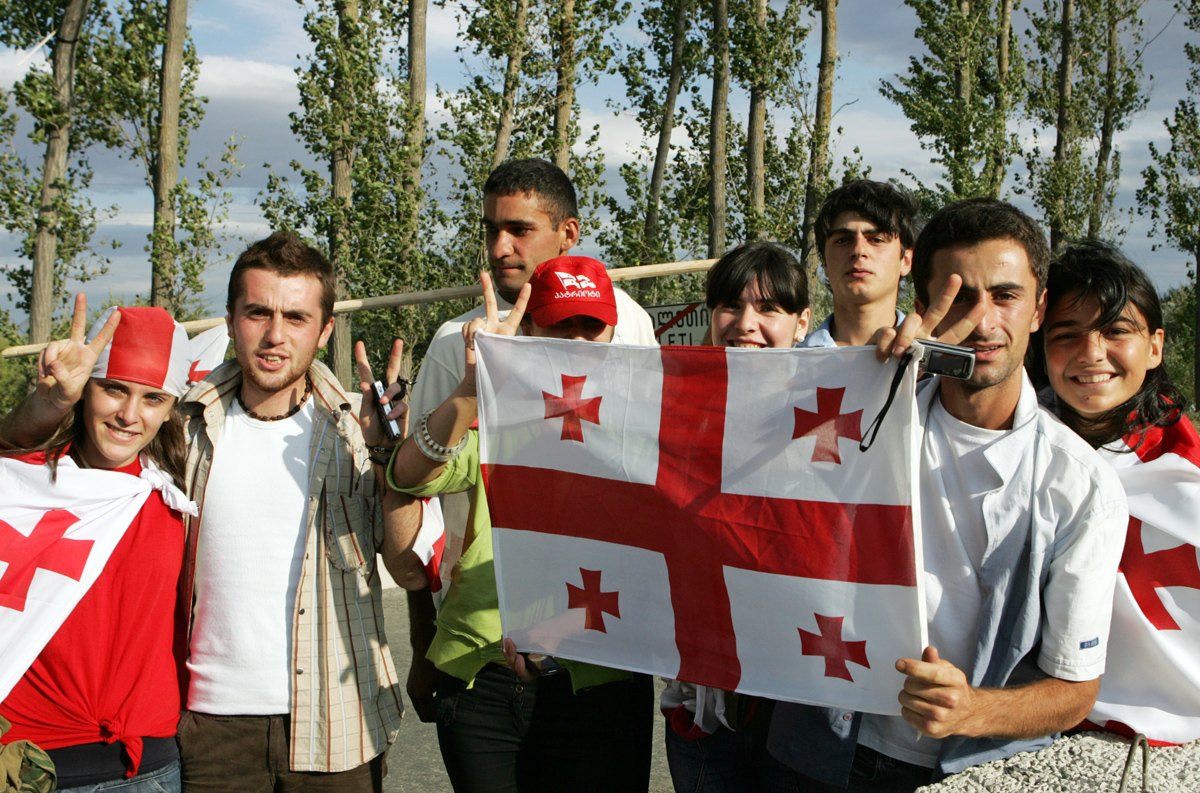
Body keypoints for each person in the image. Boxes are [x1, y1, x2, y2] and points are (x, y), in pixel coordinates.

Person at [0, 232, 424, 793]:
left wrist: (390, 456)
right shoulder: (178, 429)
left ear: (324, 332)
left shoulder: (357, 432)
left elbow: (410, 567)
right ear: (230, 320)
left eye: (296, 317)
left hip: (337, 726)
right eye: (257, 313)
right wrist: (52, 402)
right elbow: (20, 461)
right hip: (206, 733)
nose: (275, 335)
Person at [766, 198, 1129, 790]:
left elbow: (1075, 688)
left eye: (1005, 296)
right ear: (923, 308)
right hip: (819, 755)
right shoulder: (865, 419)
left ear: (1038, 309)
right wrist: (867, 372)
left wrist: (973, 711)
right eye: (960, 296)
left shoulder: (1079, 485)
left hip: (968, 772)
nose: (984, 322)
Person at [387, 257, 654, 793]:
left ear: (612, 334)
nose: (576, 340)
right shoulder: (493, 410)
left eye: (590, 326)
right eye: (560, 324)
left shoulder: (646, 420)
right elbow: (408, 476)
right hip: (480, 676)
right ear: (528, 328)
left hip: (601, 674)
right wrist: (469, 388)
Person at [405, 157, 658, 721]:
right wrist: (425, 644)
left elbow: (649, 486)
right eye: (492, 230)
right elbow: (414, 497)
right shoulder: (455, 344)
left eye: (519, 230)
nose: (500, 248)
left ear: (569, 233)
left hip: (603, 633)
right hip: (481, 645)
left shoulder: (632, 326)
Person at [0, 301, 196, 793]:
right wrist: (48, 405)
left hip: (140, 768)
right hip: (24, 763)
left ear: (172, 408)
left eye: (153, 398)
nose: (130, 415)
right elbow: (5, 447)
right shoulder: (25, 478)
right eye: (114, 389)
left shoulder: (178, 494)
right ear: (86, 391)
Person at [660, 242, 811, 791]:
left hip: (804, 712)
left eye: (769, 309)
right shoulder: (669, 409)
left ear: (802, 323)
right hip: (704, 717)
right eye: (730, 305)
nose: (746, 323)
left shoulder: (841, 412)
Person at [1036, 241, 1200, 745]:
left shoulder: (1185, 475)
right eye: (1067, 334)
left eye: (1116, 331)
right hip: (1038, 724)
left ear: (1155, 346)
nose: (1091, 353)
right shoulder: (1015, 448)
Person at [800, 180, 920, 349]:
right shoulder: (789, 365)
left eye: (876, 240)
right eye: (843, 240)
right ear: (825, 262)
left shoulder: (930, 366)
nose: (858, 250)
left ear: (906, 260)